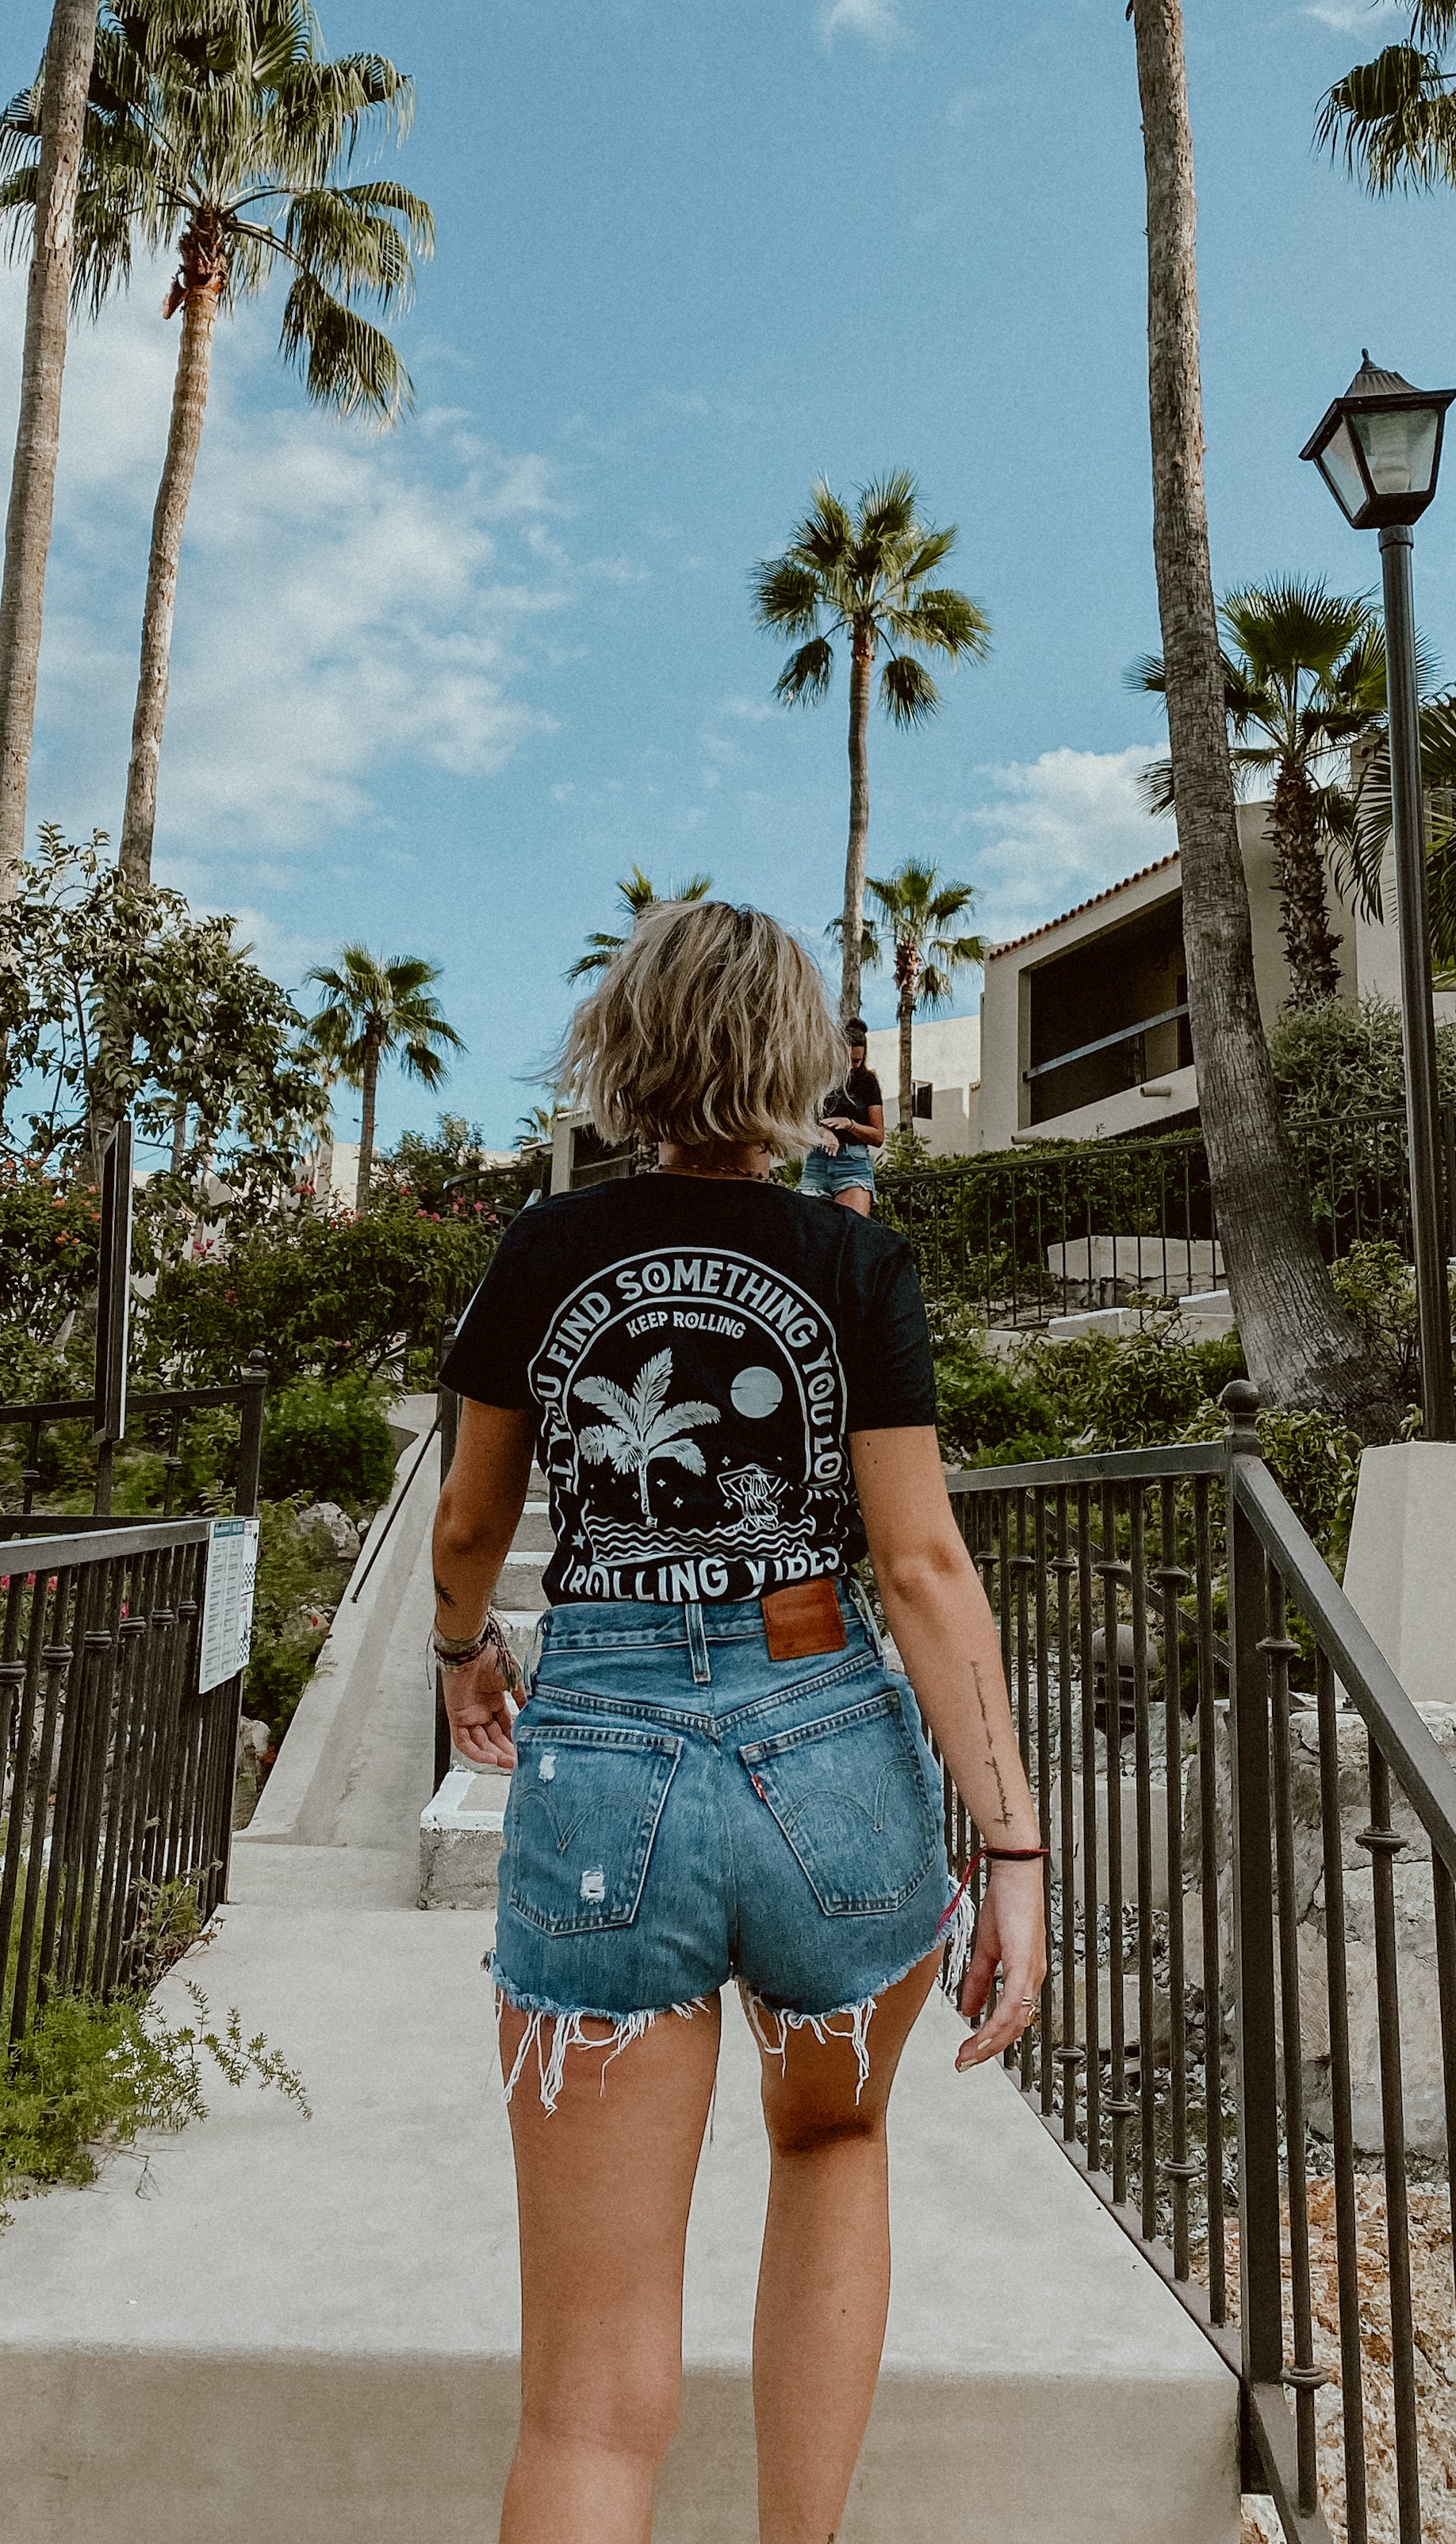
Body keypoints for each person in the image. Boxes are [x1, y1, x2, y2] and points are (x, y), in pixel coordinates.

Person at [429, 900, 1046, 2544]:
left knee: (585, 2394)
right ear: (790, 1058)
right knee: (834, 2141)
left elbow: (470, 1525)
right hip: (828, 1740)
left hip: (605, 1746)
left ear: (621, 1048)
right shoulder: (854, 1259)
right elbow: (918, 1562)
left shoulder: (545, 1249)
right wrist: (1012, 1842)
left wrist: (458, 1648)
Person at [800, 1011, 884, 1216]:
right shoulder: (818, 1078)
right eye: (845, 1060)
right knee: (806, 1233)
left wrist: (849, 1124)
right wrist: (822, 1131)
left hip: (852, 1164)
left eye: (856, 1061)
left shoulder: (867, 1081)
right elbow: (799, 1120)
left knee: (851, 1233)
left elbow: (878, 1136)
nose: (849, 1067)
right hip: (817, 1161)